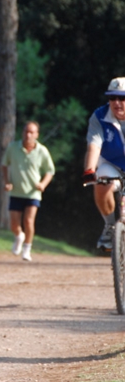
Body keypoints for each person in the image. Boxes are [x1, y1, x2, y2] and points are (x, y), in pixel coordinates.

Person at [2, 121, 55, 262]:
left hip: (33, 192)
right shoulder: (13, 148)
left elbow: (50, 170)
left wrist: (43, 184)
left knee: (29, 221)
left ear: (37, 134)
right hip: (16, 191)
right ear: (22, 132)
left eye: (32, 132)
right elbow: (4, 165)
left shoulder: (42, 151)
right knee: (14, 224)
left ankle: (27, 249)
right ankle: (19, 236)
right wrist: (7, 182)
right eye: (26, 131)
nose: (28, 134)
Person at [83, 77, 125, 251]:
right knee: (101, 182)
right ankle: (109, 226)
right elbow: (94, 146)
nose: (117, 102)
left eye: (122, 98)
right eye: (112, 98)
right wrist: (89, 170)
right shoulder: (99, 116)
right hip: (111, 162)